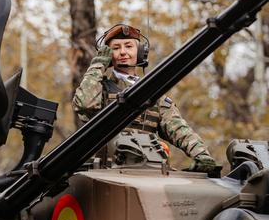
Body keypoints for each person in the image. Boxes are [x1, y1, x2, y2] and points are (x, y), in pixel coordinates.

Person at [72, 24, 218, 173]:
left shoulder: (153, 94)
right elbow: (85, 105)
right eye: (116, 48)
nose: (123, 52)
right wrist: (97, 65)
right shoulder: (98, 89)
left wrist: (202, 155)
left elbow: (179, 129)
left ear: (140, 52)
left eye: (129, 46)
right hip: (107, 173)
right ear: (108, 55)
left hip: (147, 173)